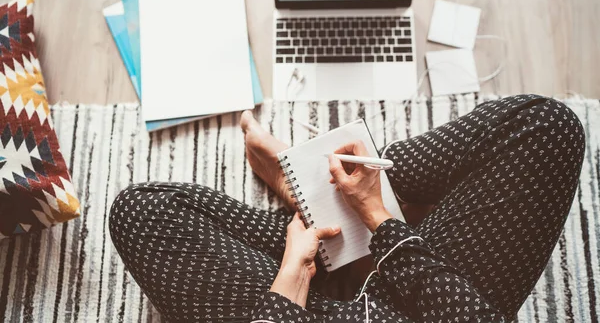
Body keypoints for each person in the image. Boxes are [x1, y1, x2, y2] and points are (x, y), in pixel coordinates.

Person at [109, 95, 585, 322]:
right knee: (546, 127)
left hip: (304, 315)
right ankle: (337, 200)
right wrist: (381, 222)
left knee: (142, 212)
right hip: (431, 310)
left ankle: (315, 196)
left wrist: (293, 272)